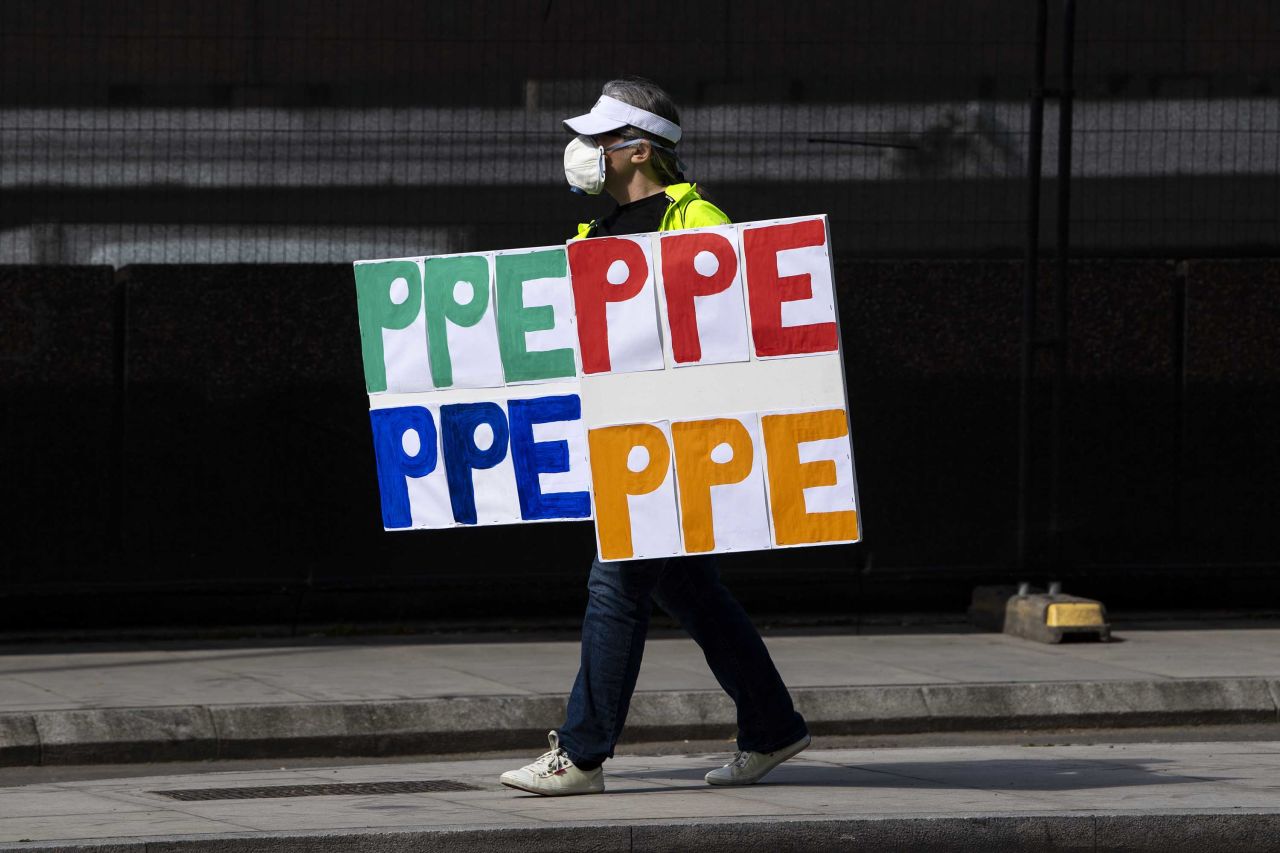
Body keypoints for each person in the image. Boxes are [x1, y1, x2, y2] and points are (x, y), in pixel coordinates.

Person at [499, 78, 810, 797]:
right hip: (623, 435)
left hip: (678, 440)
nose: (585, 151)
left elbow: (732, 329)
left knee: (615, 582)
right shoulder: (594, 236)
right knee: (690, 590)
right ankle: (772, 726)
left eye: (601, 139)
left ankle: (581, 753)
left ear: (638, 149)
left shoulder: (696, 217)